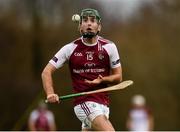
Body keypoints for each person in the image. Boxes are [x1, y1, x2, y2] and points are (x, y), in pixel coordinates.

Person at [41, 8, 122, 131]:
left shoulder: (109, 47)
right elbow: (46, 72)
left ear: (99, 27)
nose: (89, 23)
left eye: (92, 21)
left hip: (103, 104)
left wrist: (102, 80)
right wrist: (50, 93)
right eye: (85, 20)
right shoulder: (70, 49)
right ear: (80, 27)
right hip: (84, 102)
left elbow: (118, 77)